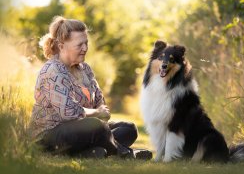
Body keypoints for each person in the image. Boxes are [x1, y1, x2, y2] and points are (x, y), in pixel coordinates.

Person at [29, 16, 152, 159]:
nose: (85, 48)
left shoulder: (84, 69)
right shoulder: (53, 70)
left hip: (82, 130)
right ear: (62, 46)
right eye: (79, 45)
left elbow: (99, 100)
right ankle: (126, 154)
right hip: (49, 136)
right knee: (97, 126)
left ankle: (90, 152)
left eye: (86, 43)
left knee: (129, 128)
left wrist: (101, 111)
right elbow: (68, 112)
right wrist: (96, 113)